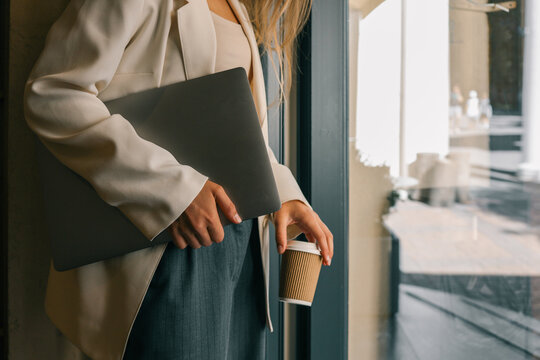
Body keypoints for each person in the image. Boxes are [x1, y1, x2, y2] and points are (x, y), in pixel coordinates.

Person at [23, 0, 334, 358]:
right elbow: (53, 95)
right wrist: (173, 190)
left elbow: (239, 134)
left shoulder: (239, 9)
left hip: (241, 243)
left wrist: (284, 195)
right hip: (168, 244)